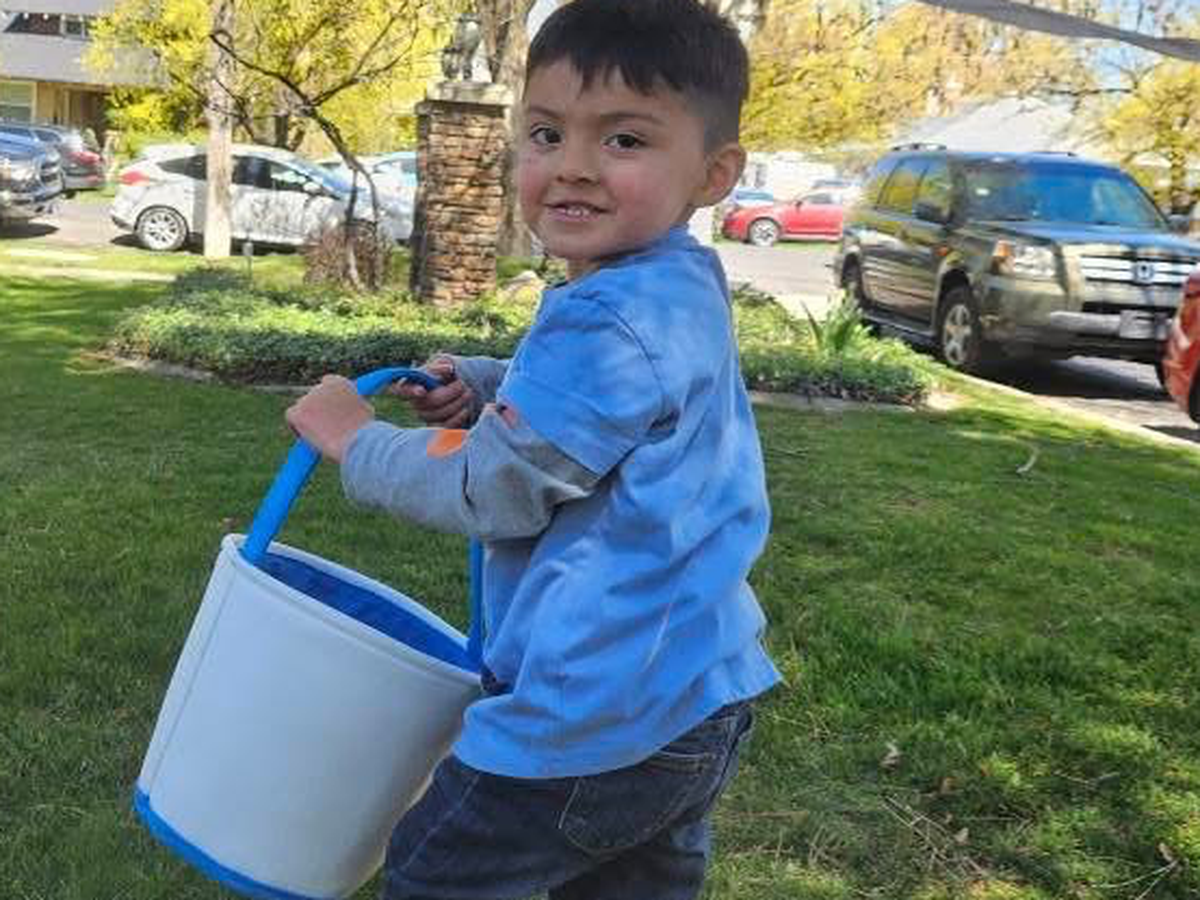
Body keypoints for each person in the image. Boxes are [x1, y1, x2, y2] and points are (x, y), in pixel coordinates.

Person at [285, 0, 780, 896]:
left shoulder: (609, 318)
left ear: (714, 174)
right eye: (547, 133)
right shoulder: (673, 284)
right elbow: (613, 404)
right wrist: (486, 387)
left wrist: (356, 442)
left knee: (436, 878)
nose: (573, 166)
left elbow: (490, 489)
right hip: (692, 695)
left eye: (624, 140)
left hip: (587, 709)